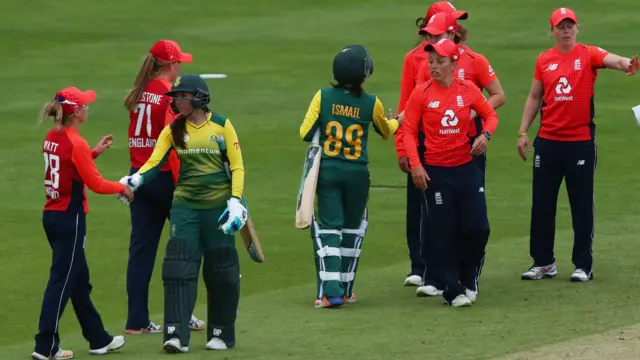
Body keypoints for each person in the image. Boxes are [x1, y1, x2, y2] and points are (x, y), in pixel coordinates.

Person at [120, 74, 247, 353]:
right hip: (185, 208)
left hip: (218, 208)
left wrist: (236, 201)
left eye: (182, 96)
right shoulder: (173, 129)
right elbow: (154, 162)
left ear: (199, 97)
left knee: (222, 271)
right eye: (175, 96)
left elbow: (237, 167)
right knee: (178, 269)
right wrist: (134, 180)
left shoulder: (222, 126)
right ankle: (176, 334)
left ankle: (221, 333)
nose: (177, 101)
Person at [517, 7, 638, 282]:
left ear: (577, 28)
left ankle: (583, 264)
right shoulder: (544, 59)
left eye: (570, 25)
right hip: (547, 141)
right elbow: (535, 97)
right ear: (553, 31)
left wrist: (626, 64)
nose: (566, 30)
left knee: (581, 205)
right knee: (542, 204)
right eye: (561, 26)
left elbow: (612, 60)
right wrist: (522, 131)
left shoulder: (587, 54)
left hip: (580, 141)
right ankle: (543, 262)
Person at [411, 11, 506, 297]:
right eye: (429, 37)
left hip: (469, 153)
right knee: (440, 223)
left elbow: (496, 102)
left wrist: (480, 128)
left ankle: (467, 278)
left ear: (452, 35)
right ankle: (444, 282)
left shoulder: (473, 67)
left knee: (474, 223)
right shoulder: (426, 77)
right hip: (437, 160)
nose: (432, 41)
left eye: (438, 35)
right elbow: (413, 113)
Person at [299, 44, 403, 308]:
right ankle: (345, 288)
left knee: (330, 228)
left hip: (329, 171)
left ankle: (331, 291)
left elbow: (304, 132)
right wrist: (398, 121)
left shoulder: (322, 97)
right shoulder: (372, 103)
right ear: (362, 76)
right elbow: (385, 130)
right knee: (352, 228)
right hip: (358, 172)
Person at [33, 87, 132, 360]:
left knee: (78, 281)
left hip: (53, 215)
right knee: (62, 282)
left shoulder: (53, 137)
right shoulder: (75, 143)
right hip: (70, 219)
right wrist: (121, 188)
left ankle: (98, 338)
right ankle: (45, 346)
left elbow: (69, 165)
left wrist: (93, 153)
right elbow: (97, 184)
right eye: (85, 105)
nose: (88, 108)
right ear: (76, 112)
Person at [122, 39, 205, 334]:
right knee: (185, 246)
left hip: (138, 176)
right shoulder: (168, 97)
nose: (181, 66)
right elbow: (175, 139)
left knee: (141, 251)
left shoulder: (138, 94)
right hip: (166, 177)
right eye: (179, 61)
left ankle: (136, 321)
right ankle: (182, 314)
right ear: (170, 65)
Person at [396, 1, 469, 288]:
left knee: (453, 206)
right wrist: (402, 147)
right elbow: (405, 104)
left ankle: (451, 267)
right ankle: (419, 265)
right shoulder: (413, 59)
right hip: (423, 137)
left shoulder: (466, 58)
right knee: (418, 204)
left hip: (456, 140)